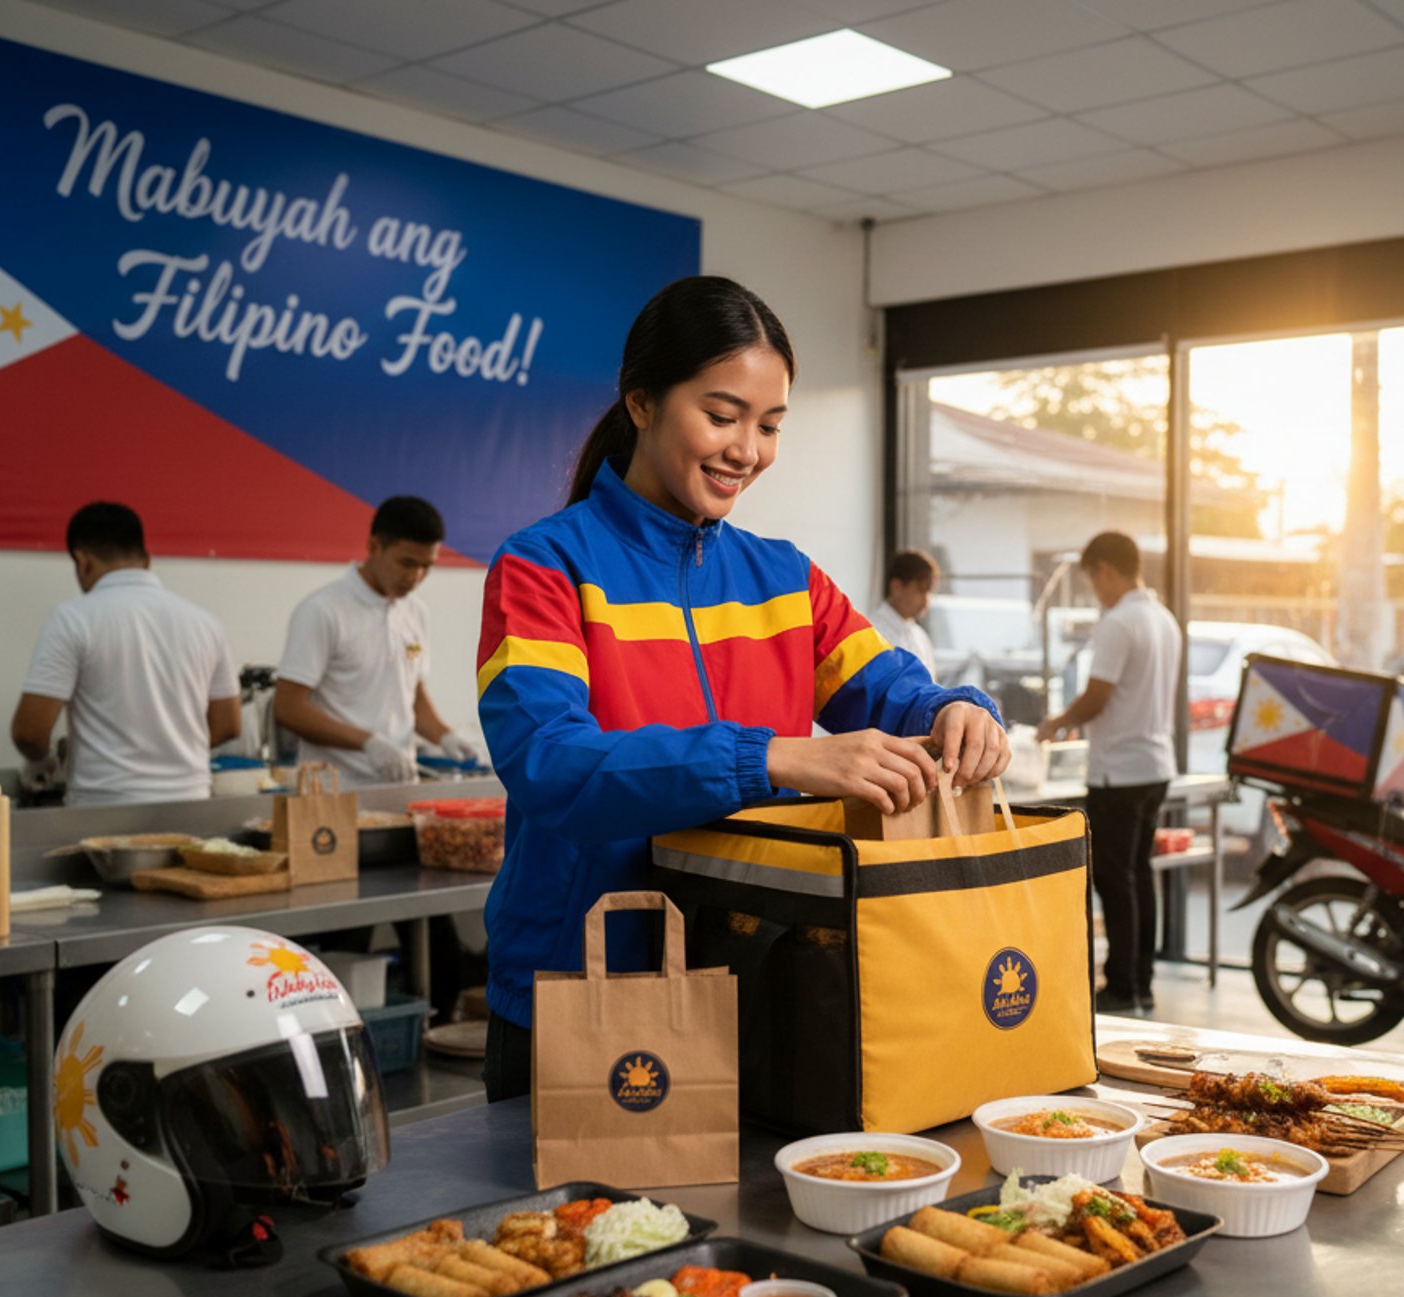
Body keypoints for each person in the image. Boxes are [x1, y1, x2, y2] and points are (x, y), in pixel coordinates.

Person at [475, 275, 1010, 1101]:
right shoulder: (543, 567)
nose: (747, 450)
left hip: (759, 988)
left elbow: (892, 689)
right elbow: (551, 764)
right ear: (641, 402)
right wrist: (772, 758)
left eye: (769, 425)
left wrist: (958, 710)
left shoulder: (785, 578)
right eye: (722, 416)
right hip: (584, 992)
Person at [11, 502, 241, 806]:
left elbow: (29, 732)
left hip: (104, 809)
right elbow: (228, 725)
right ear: (147, 560)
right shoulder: (206, 623)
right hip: (190, 804)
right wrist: (174, 753)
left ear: (82, 561)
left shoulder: (72, 618)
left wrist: (42, 762)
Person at [1039, 531, 1180, 1017]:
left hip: (1119, 771)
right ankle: (1142, 983)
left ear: (1104, 570)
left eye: (1092, 580)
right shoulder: (1164, 619)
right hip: (1155, 766)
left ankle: (1121, 986)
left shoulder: (1119, 622)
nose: (1095, 591)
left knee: (1115, 881)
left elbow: (1098, 696)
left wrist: (1056, 722)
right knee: (1139, 875)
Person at [273, 496, 476, 787]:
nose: (415, 577)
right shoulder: (322, 610)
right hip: (334, 788)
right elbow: (288, 709)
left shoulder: (415, 611)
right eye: (406, 563)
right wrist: (368, 742)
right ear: (374, 546)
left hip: (400, 783)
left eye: (426, 566)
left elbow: (413, 695)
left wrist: (445, 736)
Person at [872, 549, 940, 675]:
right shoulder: (872, 632)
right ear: (896, 587)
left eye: (929, 592)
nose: (926, 599)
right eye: (920, 590)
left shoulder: (920, 636)